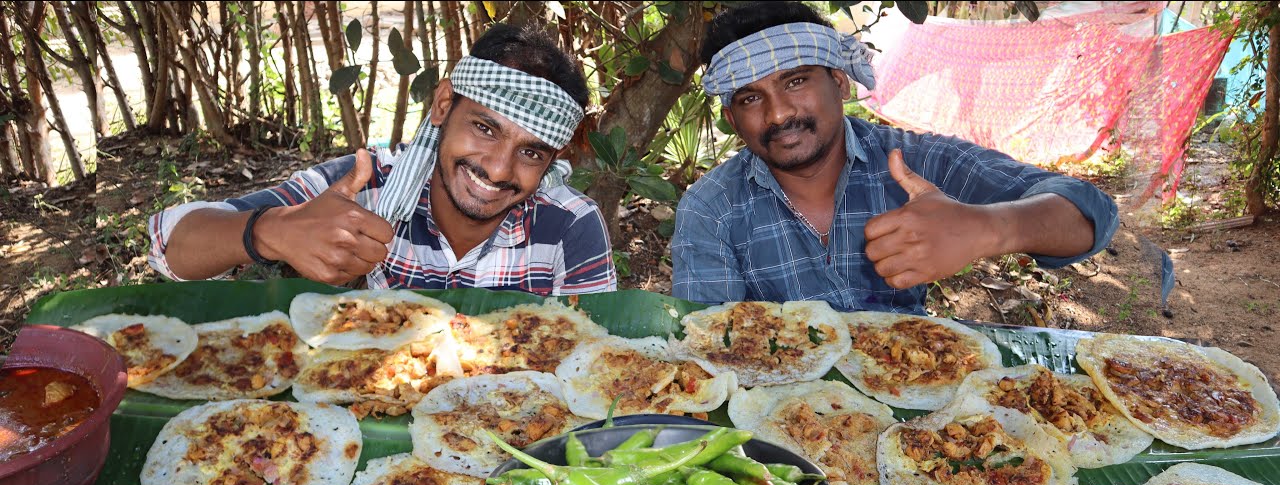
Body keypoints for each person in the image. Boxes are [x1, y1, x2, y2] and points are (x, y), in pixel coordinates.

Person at [671, 2, 1118, 313]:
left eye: (796, 81)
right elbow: (711, 346)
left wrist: (986, 229)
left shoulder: (912, 163)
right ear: (731, 118)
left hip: (913, 404)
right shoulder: (712, 208)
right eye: (751, 98)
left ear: (840, 84)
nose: (780, 113)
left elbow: (1088, 215)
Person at [148, 23, 616, 296]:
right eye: (485, 128)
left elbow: (592, 363)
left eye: (530, 152)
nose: (497, 169)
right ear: (442, 105)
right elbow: (171, 245)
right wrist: (272, 230)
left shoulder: (570, 226)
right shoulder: (360, 187)